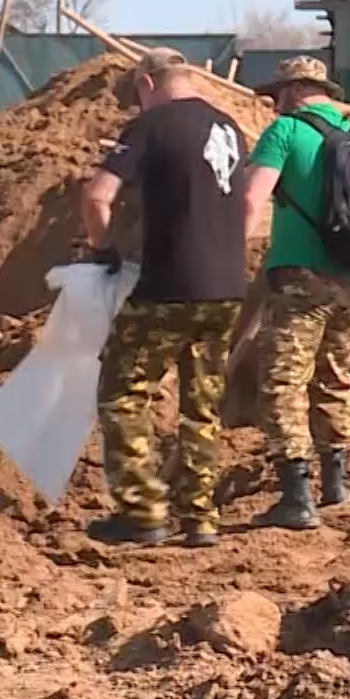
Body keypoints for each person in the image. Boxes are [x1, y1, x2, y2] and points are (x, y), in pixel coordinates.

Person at [80, 49, 248, 548]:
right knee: (202, 405)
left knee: (122, 390)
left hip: (169, 285)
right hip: (227, 287)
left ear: (148, 84)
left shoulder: (150, 127)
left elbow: (95, 196)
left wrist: (103, 248)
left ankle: (141, 511)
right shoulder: (230, 128)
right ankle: (200, 517)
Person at [241, 56, 350, 530]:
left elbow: (253, 198)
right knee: (336, 374)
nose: (274, 102)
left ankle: (296, 496)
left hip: (300, 275)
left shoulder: (285, 132)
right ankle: (336, 483)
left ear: (295, 89)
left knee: (283, 381)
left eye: (277, 92)